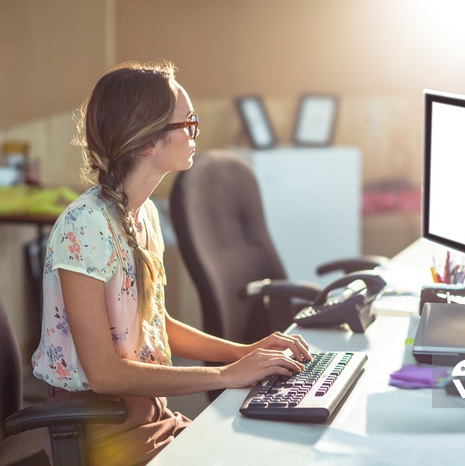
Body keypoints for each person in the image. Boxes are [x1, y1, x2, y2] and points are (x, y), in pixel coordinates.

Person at [31, 60, 311, 466]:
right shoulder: (84, 226)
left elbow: (155, 324)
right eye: (188, 124)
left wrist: (247, 353)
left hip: (151, 416)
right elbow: (105, 373)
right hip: (103, 434)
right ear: (149, 142)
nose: (196, 132)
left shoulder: (142, 214)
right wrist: (225, 375)